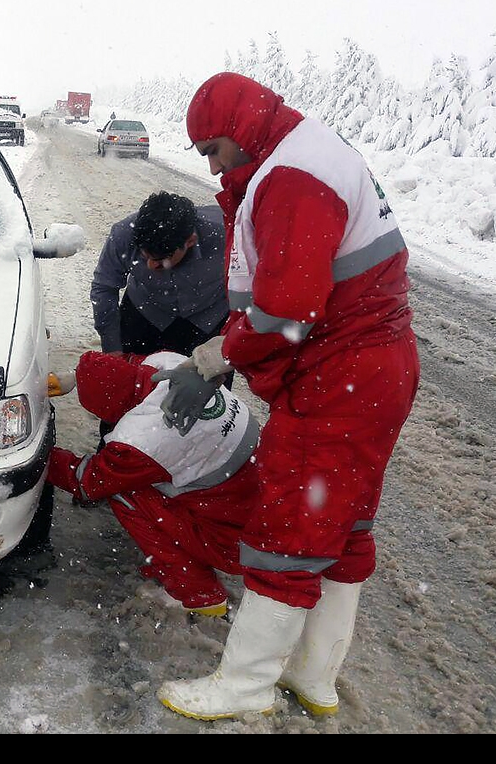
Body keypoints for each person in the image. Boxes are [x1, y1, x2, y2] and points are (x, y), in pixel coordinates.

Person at [152, 72, 420, 721]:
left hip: (340, 376)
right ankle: (314, 677)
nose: (212, 165)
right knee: (342, 526)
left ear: (240, 130)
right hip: (376, 370)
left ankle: (244, 688)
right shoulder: (309, 152)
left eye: (212, 150)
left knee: (288, 532)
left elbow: (287, 308)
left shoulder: (292, 175)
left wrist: (215, 357)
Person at [46, 350, 260, 617]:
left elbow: (87, 481)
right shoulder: (170, 363)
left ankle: (199, 594)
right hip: (274, 509)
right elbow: (128, 364)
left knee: (124, 493)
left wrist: (41, 455)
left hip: (237, 542)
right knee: (152, 480)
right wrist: (76, 377)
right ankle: (184, 563)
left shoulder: (142, 439)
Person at [90, 191, 231, 443]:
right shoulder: (123, 234)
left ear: (189, 241)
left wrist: (230, 342)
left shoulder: (229, 231)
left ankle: (194, 457)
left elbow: (254, 286)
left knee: (206, 396)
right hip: (145, 313)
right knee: (124, 388)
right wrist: (112, 348)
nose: (151, 267)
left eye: (161, 259)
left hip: (207, 320)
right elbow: (104, 287)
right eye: (145, 258)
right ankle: (115, 447)